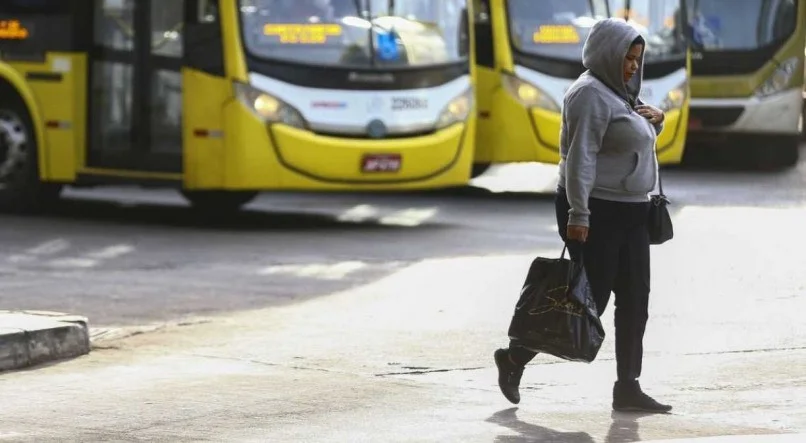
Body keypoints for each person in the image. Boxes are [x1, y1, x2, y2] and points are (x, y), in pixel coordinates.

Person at [494, 17, 672, 414]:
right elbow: (580, 159)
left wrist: (655, 123)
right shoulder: (589, 94)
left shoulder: (622, 93)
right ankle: (514, 357)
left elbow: (628, 146)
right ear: (608, 53)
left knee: (635, 299)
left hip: (632, 212)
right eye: (627, 57)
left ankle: (628, 386)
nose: (632, 66)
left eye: (637, 59)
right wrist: (579, 214)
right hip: (598, 210)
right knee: (585, 302)